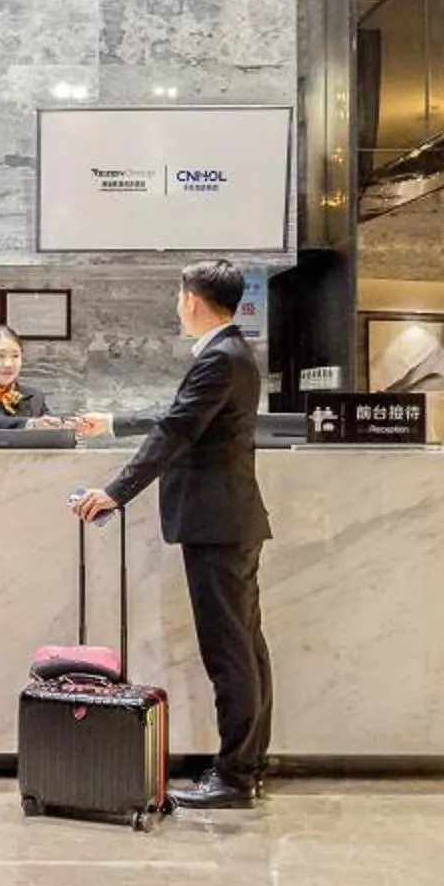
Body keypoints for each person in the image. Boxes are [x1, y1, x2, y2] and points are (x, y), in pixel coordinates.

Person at [68, 259, 273, 811]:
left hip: (217, 523)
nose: (176, 306)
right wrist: (113, 423)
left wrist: (115, 492)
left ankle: (234, 776)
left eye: (178, 296)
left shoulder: (220, 358)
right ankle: (248, 766)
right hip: (229, 522)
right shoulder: (230, 353)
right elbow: (181, 418)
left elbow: (176, 432)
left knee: (230, 652)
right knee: (246, 647)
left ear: (191, 300)